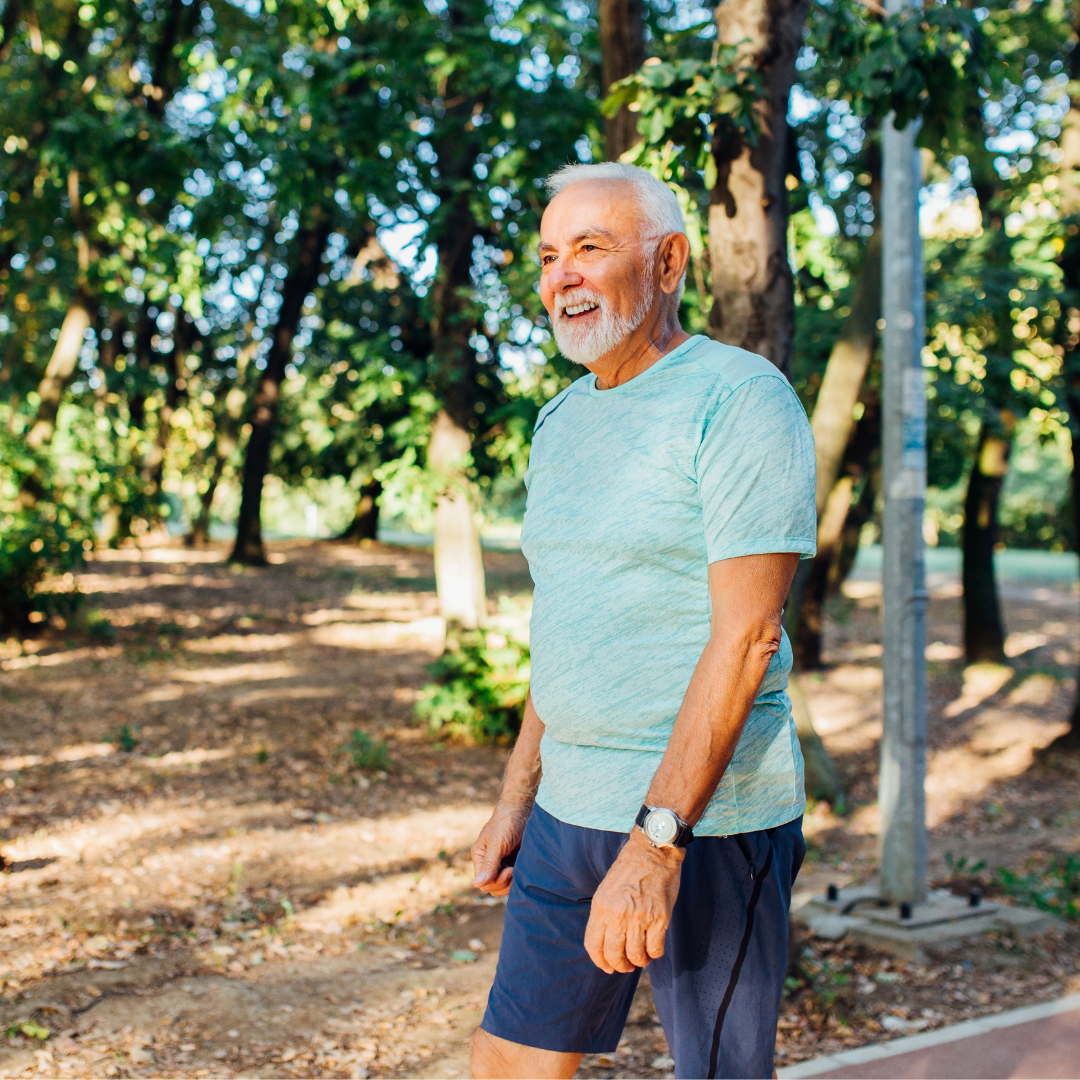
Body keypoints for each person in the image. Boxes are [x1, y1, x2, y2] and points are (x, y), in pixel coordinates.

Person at [468, 161, 816, 1080]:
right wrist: (517, 794)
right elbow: (570, 623)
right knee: (509, 1060)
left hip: (707, 819)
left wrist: (657, 842)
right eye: (549, 256)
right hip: (566, 809)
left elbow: (748, 638)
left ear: (668, 265)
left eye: (591, 248)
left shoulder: (739, 399)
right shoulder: (558, 422)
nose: (562, 276)